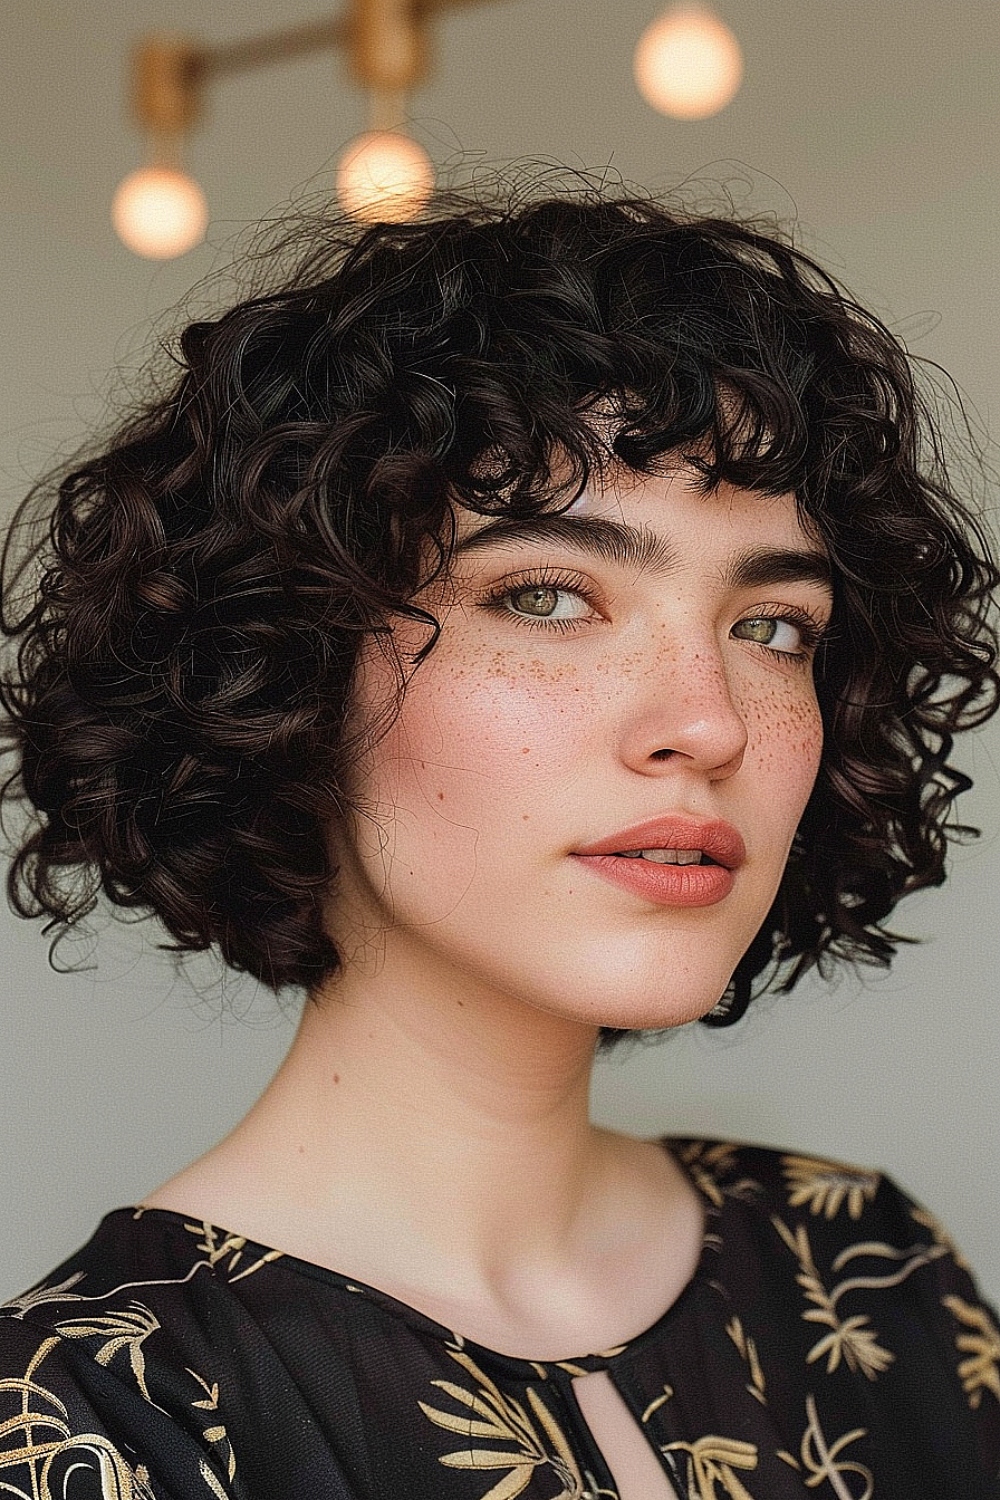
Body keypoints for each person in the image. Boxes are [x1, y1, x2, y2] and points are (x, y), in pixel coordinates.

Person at [0, 179, 998, 1500]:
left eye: (773, 628)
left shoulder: (867, 1270)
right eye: (545, 595)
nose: (708, 724)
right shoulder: (104, 1416)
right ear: (287, 672)